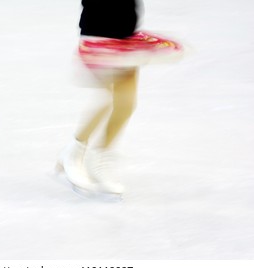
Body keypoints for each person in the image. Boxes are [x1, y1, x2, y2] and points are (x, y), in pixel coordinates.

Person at [57, 0, 182, 199]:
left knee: (126, 104)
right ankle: (73, 152)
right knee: (105, 100)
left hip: (127, 35)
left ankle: (102, 158)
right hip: (98, 33)